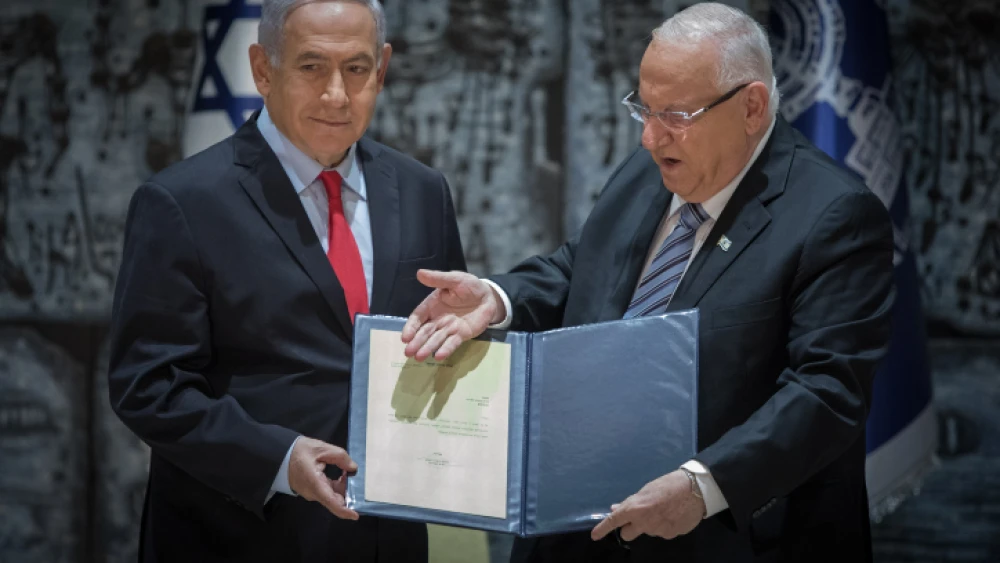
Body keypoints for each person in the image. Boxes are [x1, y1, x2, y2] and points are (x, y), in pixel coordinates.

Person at [400, 3, 894, 562]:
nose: (650, 139)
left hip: (723, 538)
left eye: (676, 115)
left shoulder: (835, 216)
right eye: (645, 110)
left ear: (752, 106)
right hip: (580, 528)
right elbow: (580, 267)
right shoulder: (653, 168)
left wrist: (703, 486)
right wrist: (496, 298)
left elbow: (827, 392)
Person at [107, 1, 465, 561]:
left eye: (356, 68)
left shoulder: (423, 191)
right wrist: (277, 459)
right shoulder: (182, 202)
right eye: (311, 67)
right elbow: (148, 385)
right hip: (238, 534)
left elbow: (443, 342)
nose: (336, 96)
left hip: (385, 540)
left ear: (383, 68)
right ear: (262, 69)